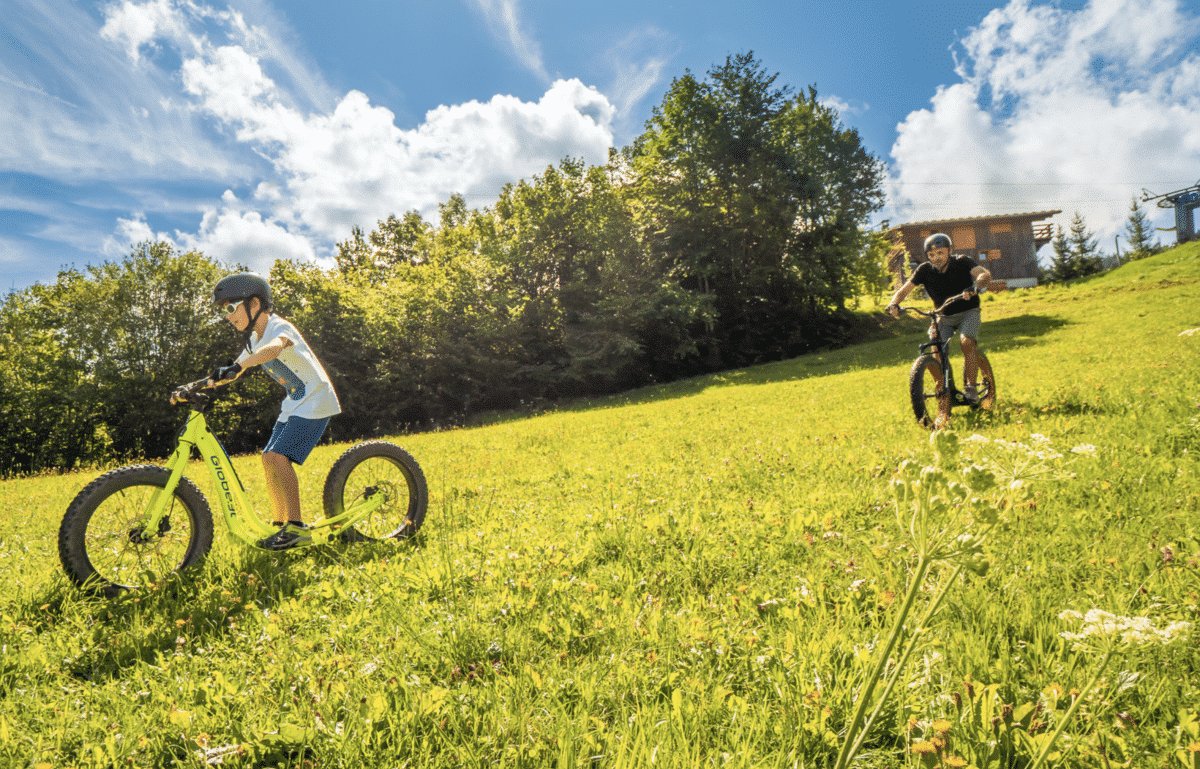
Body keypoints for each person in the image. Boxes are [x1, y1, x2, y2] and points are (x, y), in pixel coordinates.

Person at [207, 272, 342, 550]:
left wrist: (241, 365)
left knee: (280, 457)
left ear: (254, 304)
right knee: (268, 457)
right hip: (295, 402)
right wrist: (194, 387)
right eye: (224, 311)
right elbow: (231, 371)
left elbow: (275, 348)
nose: (228, 315)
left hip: (316, 400)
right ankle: (280, 526)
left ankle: (297, 529)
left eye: (231, 307)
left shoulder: (280, 328)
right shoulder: (253, 341)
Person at [886, 233, 992, 401]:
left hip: (968, 311)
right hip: (943, 315)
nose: (936, 258)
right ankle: (943, 388)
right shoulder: (924, 270)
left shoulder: (962, 261)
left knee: (966, 342)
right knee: (936, 346)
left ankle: (971, 388)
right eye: (931, 255)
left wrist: (975, 286)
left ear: (949, 250)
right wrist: (893, 304)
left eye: (940, 253)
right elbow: (904, 290)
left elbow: (984, 275)